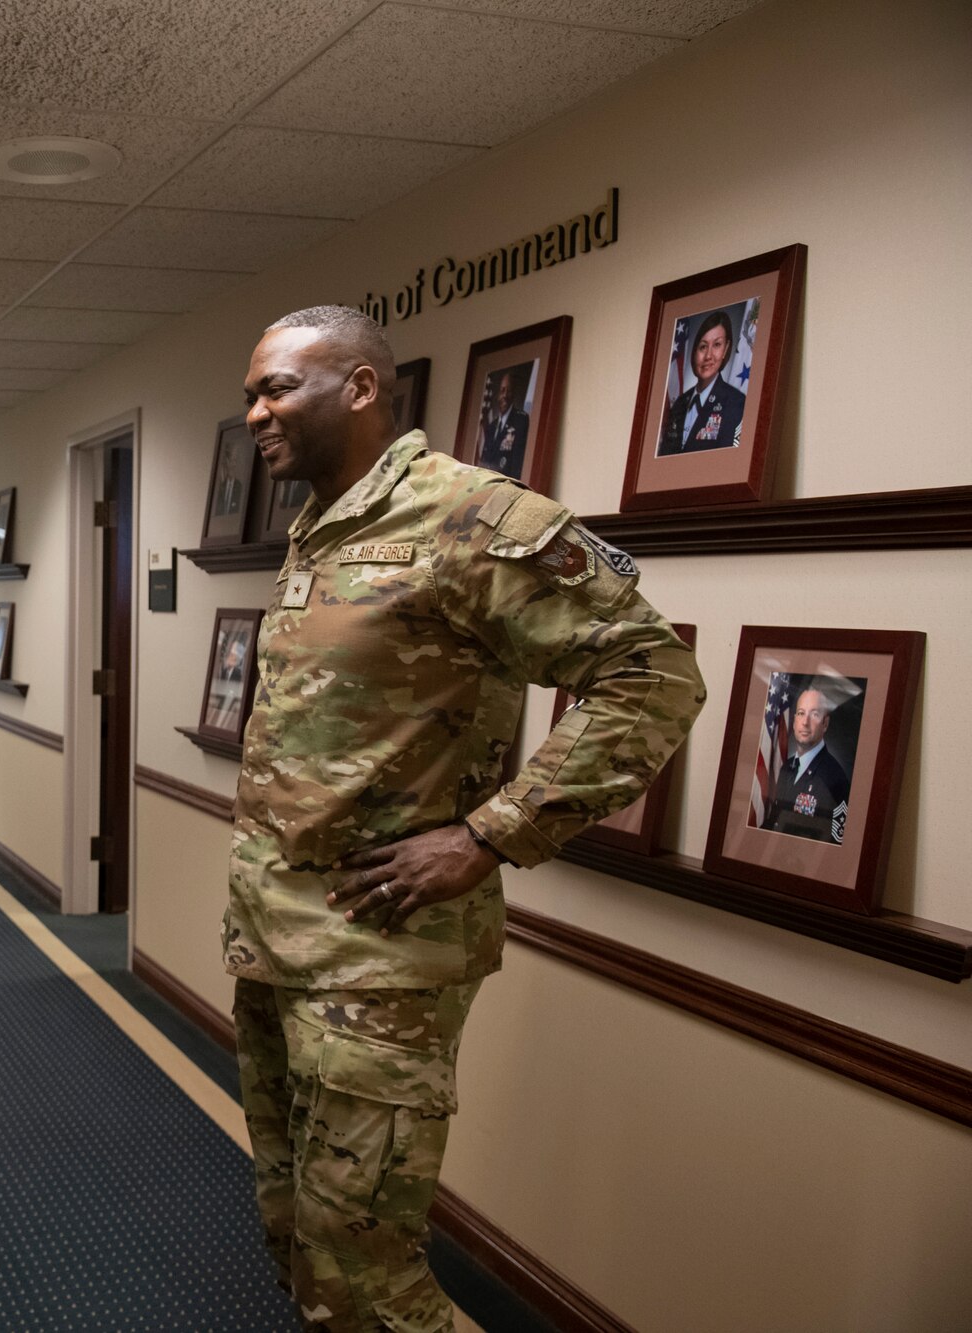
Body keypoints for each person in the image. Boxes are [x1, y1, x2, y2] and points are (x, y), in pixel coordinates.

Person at [227, 306, 704, 1333]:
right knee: (298, 1236)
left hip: (380, 963)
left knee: (368, 1277)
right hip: (274, 942)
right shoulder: (320, 523)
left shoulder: (472, 519)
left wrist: (490, 832)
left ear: (358, 388)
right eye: (252, 394)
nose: (257, 413)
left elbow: (650, 677)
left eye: (277, 389)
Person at [761, 684, 850, 844]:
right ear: (794, 721)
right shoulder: (787, 767)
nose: (805, 722)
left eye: (814, 714)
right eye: (801, 713)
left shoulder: (835, 779)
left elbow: (835, 847)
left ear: (825, 723)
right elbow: (774, 821)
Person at [657, 309, 746, 455]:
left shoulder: (736, 404)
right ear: (695, 351)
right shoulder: (679, 404)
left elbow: (730, 462)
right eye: (703, 346)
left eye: (717, 345)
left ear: (726, 349)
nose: (708, 356)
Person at [474, 367, 530, 477]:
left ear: (513, 393)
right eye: (502, 390)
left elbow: (517, 465)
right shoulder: (491, 426)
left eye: (508, 391)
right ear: (497, 395)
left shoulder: (520, 421)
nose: (504, 395)